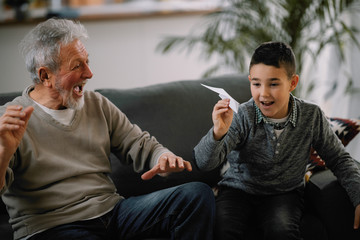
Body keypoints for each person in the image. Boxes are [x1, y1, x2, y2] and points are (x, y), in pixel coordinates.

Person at [0, 18, 215, 240]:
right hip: (52, 225)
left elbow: (139, 144)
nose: (89, 73)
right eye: (77, 65)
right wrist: (4, 150)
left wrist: (162, 157)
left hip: (112, 212)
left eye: (87, 62)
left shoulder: (96, 104)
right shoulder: (8, 119)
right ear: (45, 76)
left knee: (195, 196)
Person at [194, 41, 360, 239]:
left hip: (285, 193)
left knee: (281, 230)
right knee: (223, 229)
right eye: (256, 84)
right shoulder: (242, 115)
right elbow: (204, 163)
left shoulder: (311, 116)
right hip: (237, 190)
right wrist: (217, 132)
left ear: (292, 83)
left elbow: (339, 159)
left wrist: (358, 196)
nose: (263, 93)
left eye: (273, 84)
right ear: (250, 81)